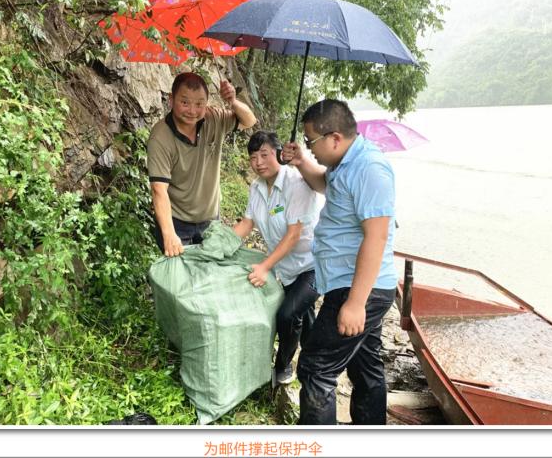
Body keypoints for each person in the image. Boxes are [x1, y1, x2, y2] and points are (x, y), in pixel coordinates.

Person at [281, 99, 397, 425]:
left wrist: (356, 303)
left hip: (357, 287)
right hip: (351, 283)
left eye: (310, 142)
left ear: (334, 138)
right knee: (365, 366)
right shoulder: (344, 163)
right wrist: (301, 161)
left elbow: (376, 237)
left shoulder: (370, 169)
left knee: (315, 368)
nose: (309, 147)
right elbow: (325, 184)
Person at [233, 131, 321, 385]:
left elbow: (294, 235)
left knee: (287, 315)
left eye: (264, 155)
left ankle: (283, 367)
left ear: (279, 153)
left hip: (313, 264)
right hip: (286, 267)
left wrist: (264, 267)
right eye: (253, 157)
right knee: (303, 315)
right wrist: (222, 244)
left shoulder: (297, 184)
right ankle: (314, 364)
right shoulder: (257, 187)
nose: (258, 162)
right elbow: (247, 223)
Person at [147, 72, 257, 257]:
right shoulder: (160, 137)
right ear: (171, 100)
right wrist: (169, 234)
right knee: (180, 274)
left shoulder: (214, 118)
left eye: (199, 104)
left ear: (206, 103)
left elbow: (249, 121)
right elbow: (159, 189)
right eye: (185, 102)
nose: (192, 111)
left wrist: (233, 101)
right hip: (176, 222)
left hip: (210, 220)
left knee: (209, 270)